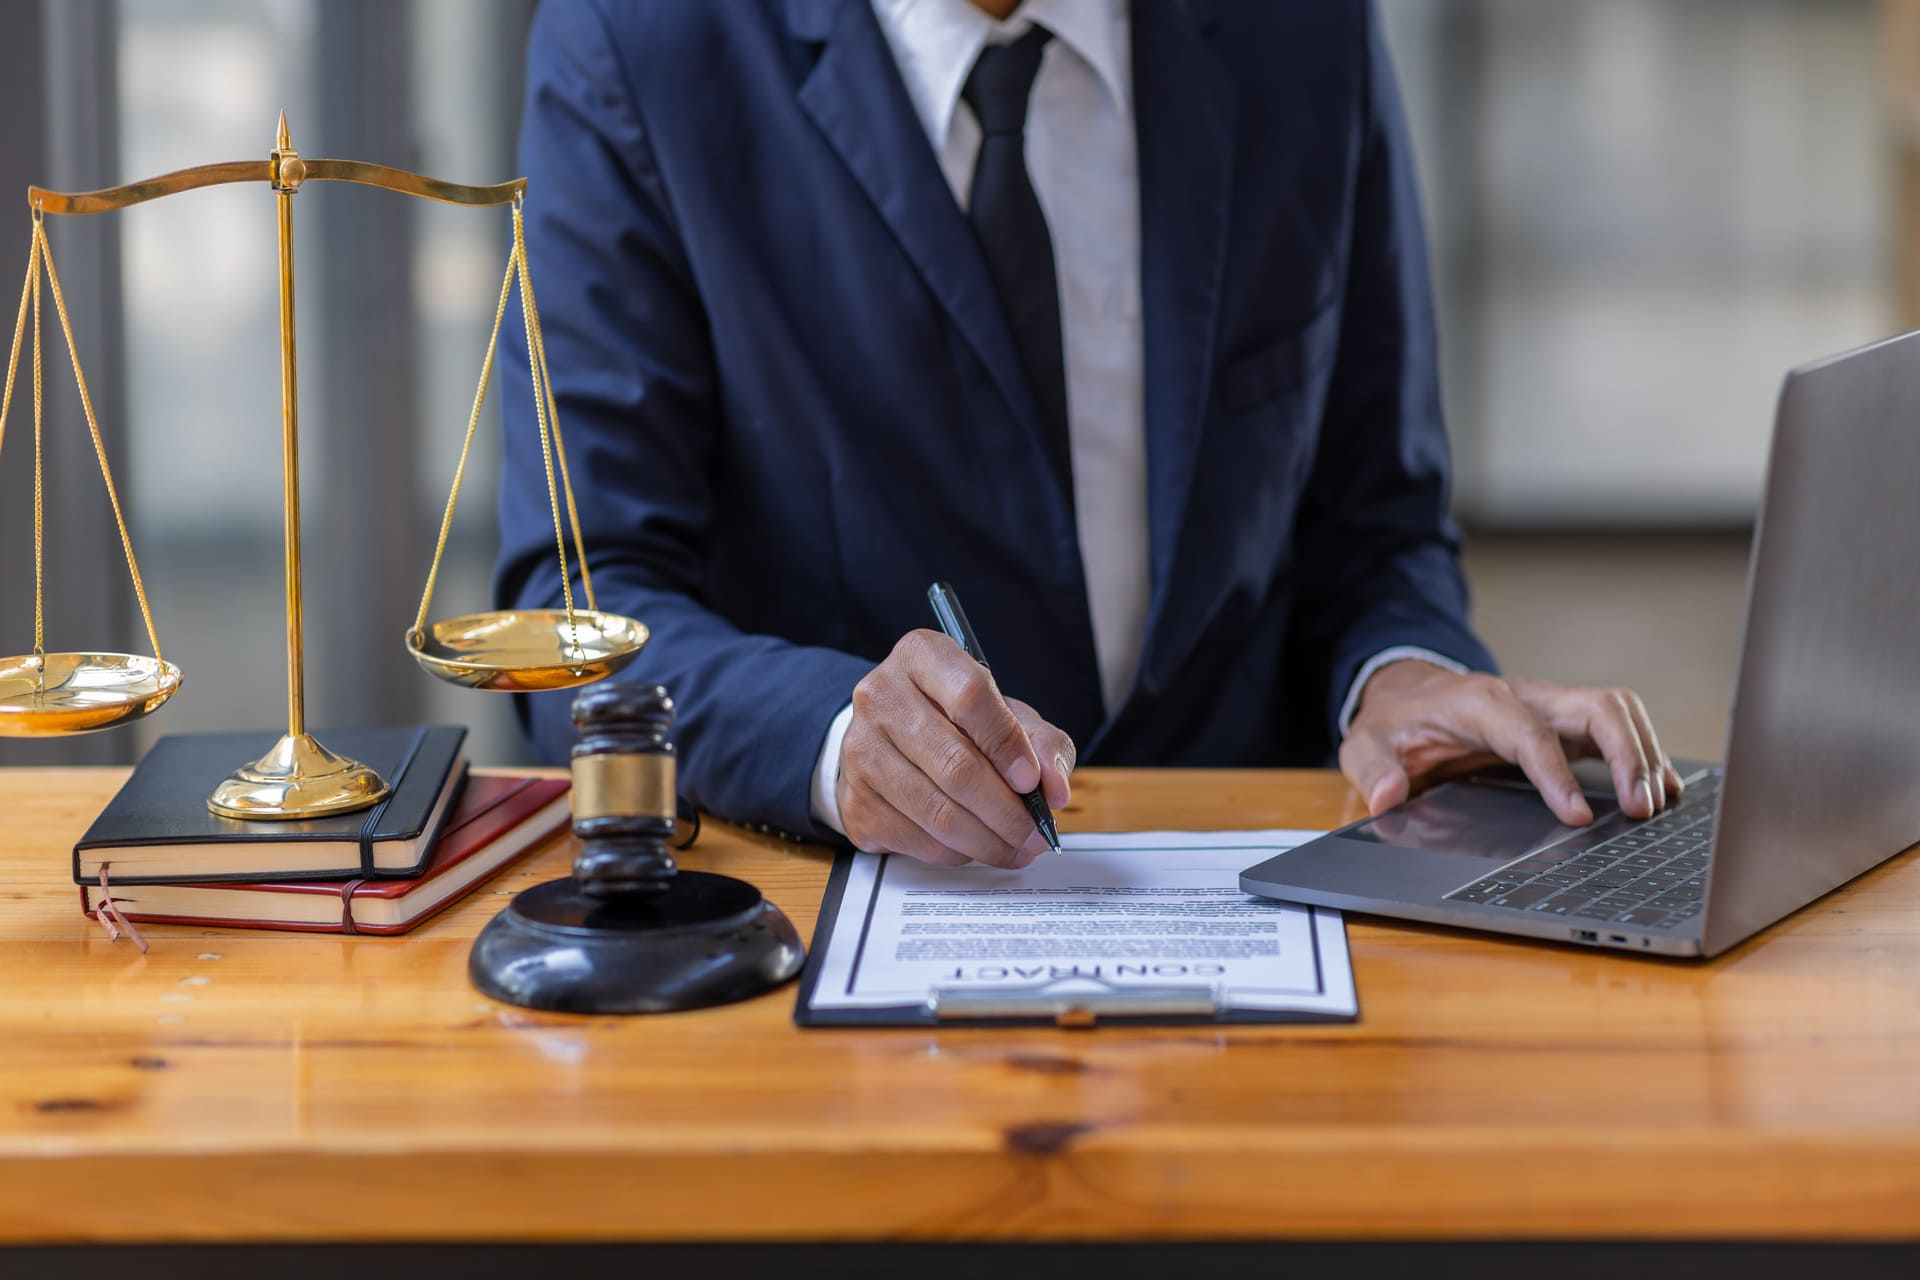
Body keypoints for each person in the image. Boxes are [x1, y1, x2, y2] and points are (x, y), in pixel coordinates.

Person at [496, 0, 1684, 867]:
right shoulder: (638, 46)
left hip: (1268, 893)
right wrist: (836, 737)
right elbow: (574, 608)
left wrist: (1402, 673)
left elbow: (1376, 523)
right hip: (849, 931)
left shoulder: (1305, 34)